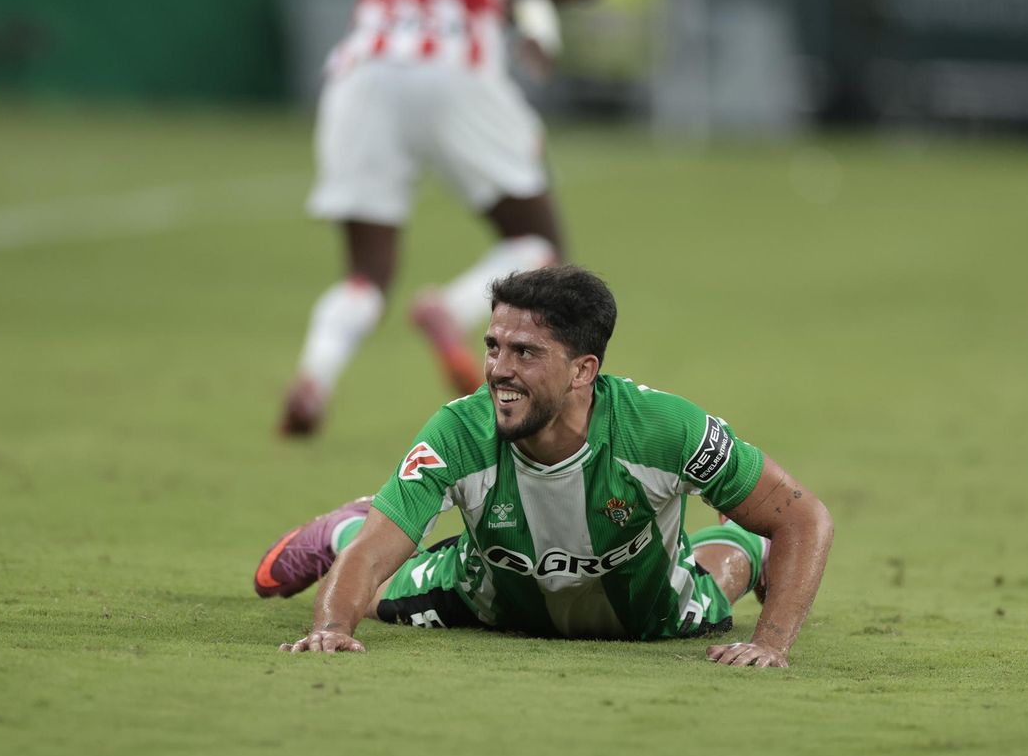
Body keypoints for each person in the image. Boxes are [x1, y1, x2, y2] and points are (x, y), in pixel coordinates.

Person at [255, 266, 835, 669]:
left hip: (647, 615)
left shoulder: (666, 430)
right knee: (375, 593)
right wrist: (331, 629)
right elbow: (379, 552)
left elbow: (805, 519)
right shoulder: (459, 431)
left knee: (720, 577)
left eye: (525, 353)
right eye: (493, 346)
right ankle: (343, 526)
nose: (498, 370)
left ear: (583, 370)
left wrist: (773, 644)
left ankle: (746, 545)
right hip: (487, 599)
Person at [278, 0, 605, 436]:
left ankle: (315, 376)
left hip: (361, 71)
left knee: (366, 270)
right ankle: (449, 308)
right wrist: (542, 22)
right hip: (451, 66)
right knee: (540, 243)